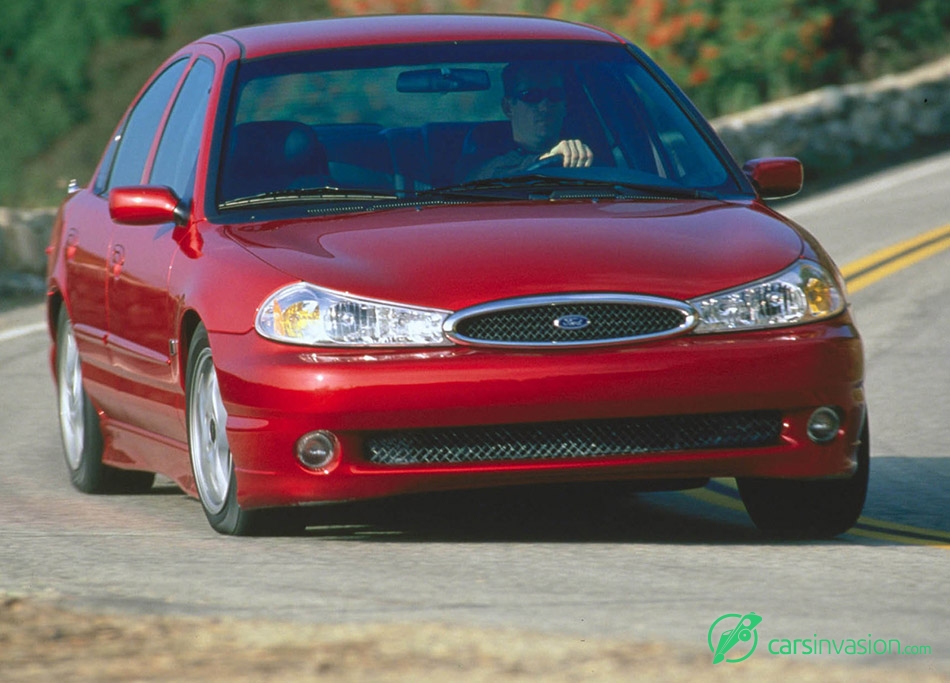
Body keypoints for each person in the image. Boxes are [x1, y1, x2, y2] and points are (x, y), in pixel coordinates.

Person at [463, 63, 593, 181]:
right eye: (531, 96)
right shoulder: (484, 155)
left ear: (565, 105)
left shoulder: (591, 148)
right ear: (508, 108)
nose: (545, 106)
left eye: (555, 95)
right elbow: (480, 177)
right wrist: (547, 159)